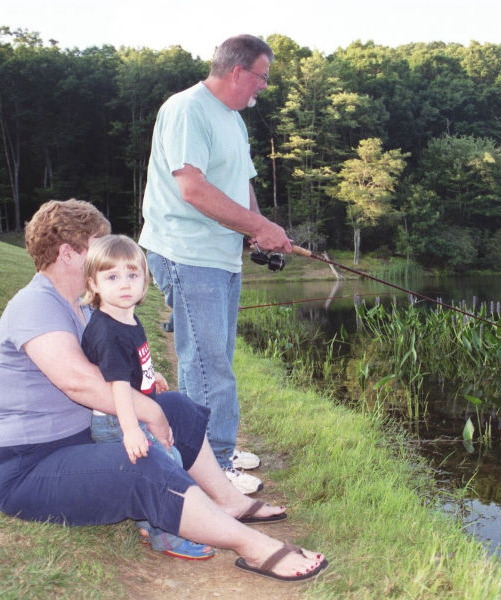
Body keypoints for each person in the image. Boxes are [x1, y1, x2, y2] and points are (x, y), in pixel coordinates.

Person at [0, 199, 327, 582]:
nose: (108, 257)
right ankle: (252, 546)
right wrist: (148, 412)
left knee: (175, 406)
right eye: (99, 246)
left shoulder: (78, 304)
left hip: (75, 441)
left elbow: (109, 363)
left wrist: (150, 389)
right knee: (141, 463)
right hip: (26, 468)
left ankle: (226, 501)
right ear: (67, 253)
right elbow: (79, 382)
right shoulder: (35, 305)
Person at [139, 34, 292, 495]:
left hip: (221, 256)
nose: (263, 88)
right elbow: (193, 188)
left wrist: (258, 227)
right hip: (187, 252)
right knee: (206, 364)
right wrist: (257, 227)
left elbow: (240, 184)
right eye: (262, 78)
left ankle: (216, 446)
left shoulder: (233, 120)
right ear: (238, 72)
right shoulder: (187, 109)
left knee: (217, 359)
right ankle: (213, 467)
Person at [80, 234, 212, 560]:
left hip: (131, 412)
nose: (124, 284)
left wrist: (153, 376)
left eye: (132, 275)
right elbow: (118, 387)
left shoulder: (125, 315)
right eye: (112, 277)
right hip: (118, 419)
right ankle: (166, 536)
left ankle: (145, 520)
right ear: (93, 284)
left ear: (144, 281)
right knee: (168, 465)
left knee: (164, 461)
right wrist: (131, 430)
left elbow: (132, 369)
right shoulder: (107, 330)